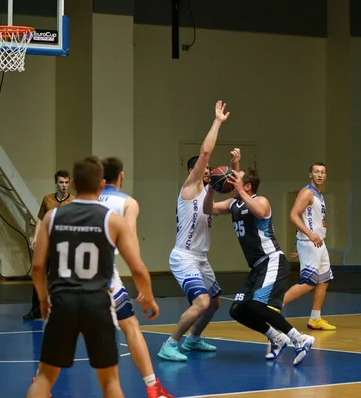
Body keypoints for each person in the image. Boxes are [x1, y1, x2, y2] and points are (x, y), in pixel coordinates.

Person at [26, 156, 159, 398]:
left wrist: (44, 300)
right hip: (98, 303)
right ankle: (151, 384)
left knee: (44, 377)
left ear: (73, 185)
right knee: (110, 382)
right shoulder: (113, 221)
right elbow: (138, 268)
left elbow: (37, 267)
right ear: (101, 185)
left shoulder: (52, 217)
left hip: (62, 301)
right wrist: (148, 297)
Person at [204, 168, 315, 366]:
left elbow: (261, 212)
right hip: (257, 267)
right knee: (238, 310)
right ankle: (278, 338)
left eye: (237, 180)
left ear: (246, 186)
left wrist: (241, 189)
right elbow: (208, 209)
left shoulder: (261, 200)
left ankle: (299, 339)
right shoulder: (233, 204)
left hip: (272, 259)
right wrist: (211, 190)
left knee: (257, 306)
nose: (231, 183)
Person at [157, 100, 231, 362]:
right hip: (184, 257)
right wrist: (217, 122)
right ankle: (169, 344)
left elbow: (225, 206)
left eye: (210, 171)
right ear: (193, 170)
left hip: (201, 258)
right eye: (204, 168)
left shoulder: (207, 197)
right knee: (201, 303)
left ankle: (193, 340)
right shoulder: (190, 188)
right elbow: (206, 152)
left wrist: (238, 169)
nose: (208, 171)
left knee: (215, 303)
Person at [98, 156, 173, 397]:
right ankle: (152, 388)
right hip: (103, 275)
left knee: (65, 333)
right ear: (121, 175)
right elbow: (130, 242)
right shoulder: (127, 203)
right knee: (124, 331)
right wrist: (143, 286)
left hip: (70, 275)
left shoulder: (80, 202)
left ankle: (43, 382)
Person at [279, 163, 336, 331]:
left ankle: (315, 318)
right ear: (310, 174)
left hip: (319, 243)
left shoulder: (319, 195)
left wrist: (301, 241)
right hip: (311, 242)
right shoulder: (307, 192)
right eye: (316, 172)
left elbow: (307, 219)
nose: (319, 174)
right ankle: (273, 306)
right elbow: (293, 215)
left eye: (322, 172)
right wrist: (308, 236)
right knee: (308, 283)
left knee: (324, 280)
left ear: (325, 175)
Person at [23, 170, 75, 321]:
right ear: (56, 183)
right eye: (61, 182)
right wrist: (35, 237)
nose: (64, 185)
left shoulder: (73, 201)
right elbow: (40, 219)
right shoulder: (48, 199)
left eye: (66, 182)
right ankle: (36, 309)